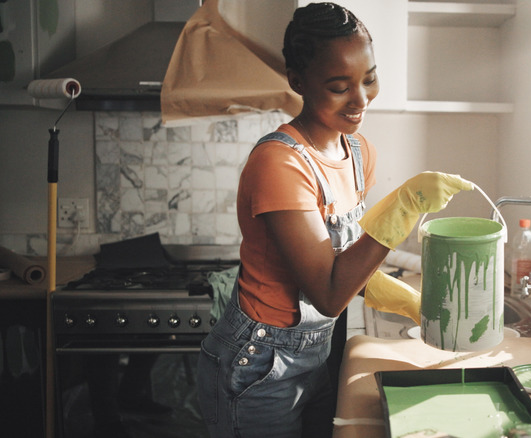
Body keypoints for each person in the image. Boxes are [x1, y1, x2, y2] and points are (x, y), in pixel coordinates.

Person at [195, 3, 472, 438]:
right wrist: (404, 205)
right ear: (298, 82)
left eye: (369, 78)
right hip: (258, 367)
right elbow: (327, 292)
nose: (361, 99)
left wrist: (408, 300)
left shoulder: (359, 153)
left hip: (314, 356)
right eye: (340, 86)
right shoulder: (279, 163)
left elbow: (341, 260)